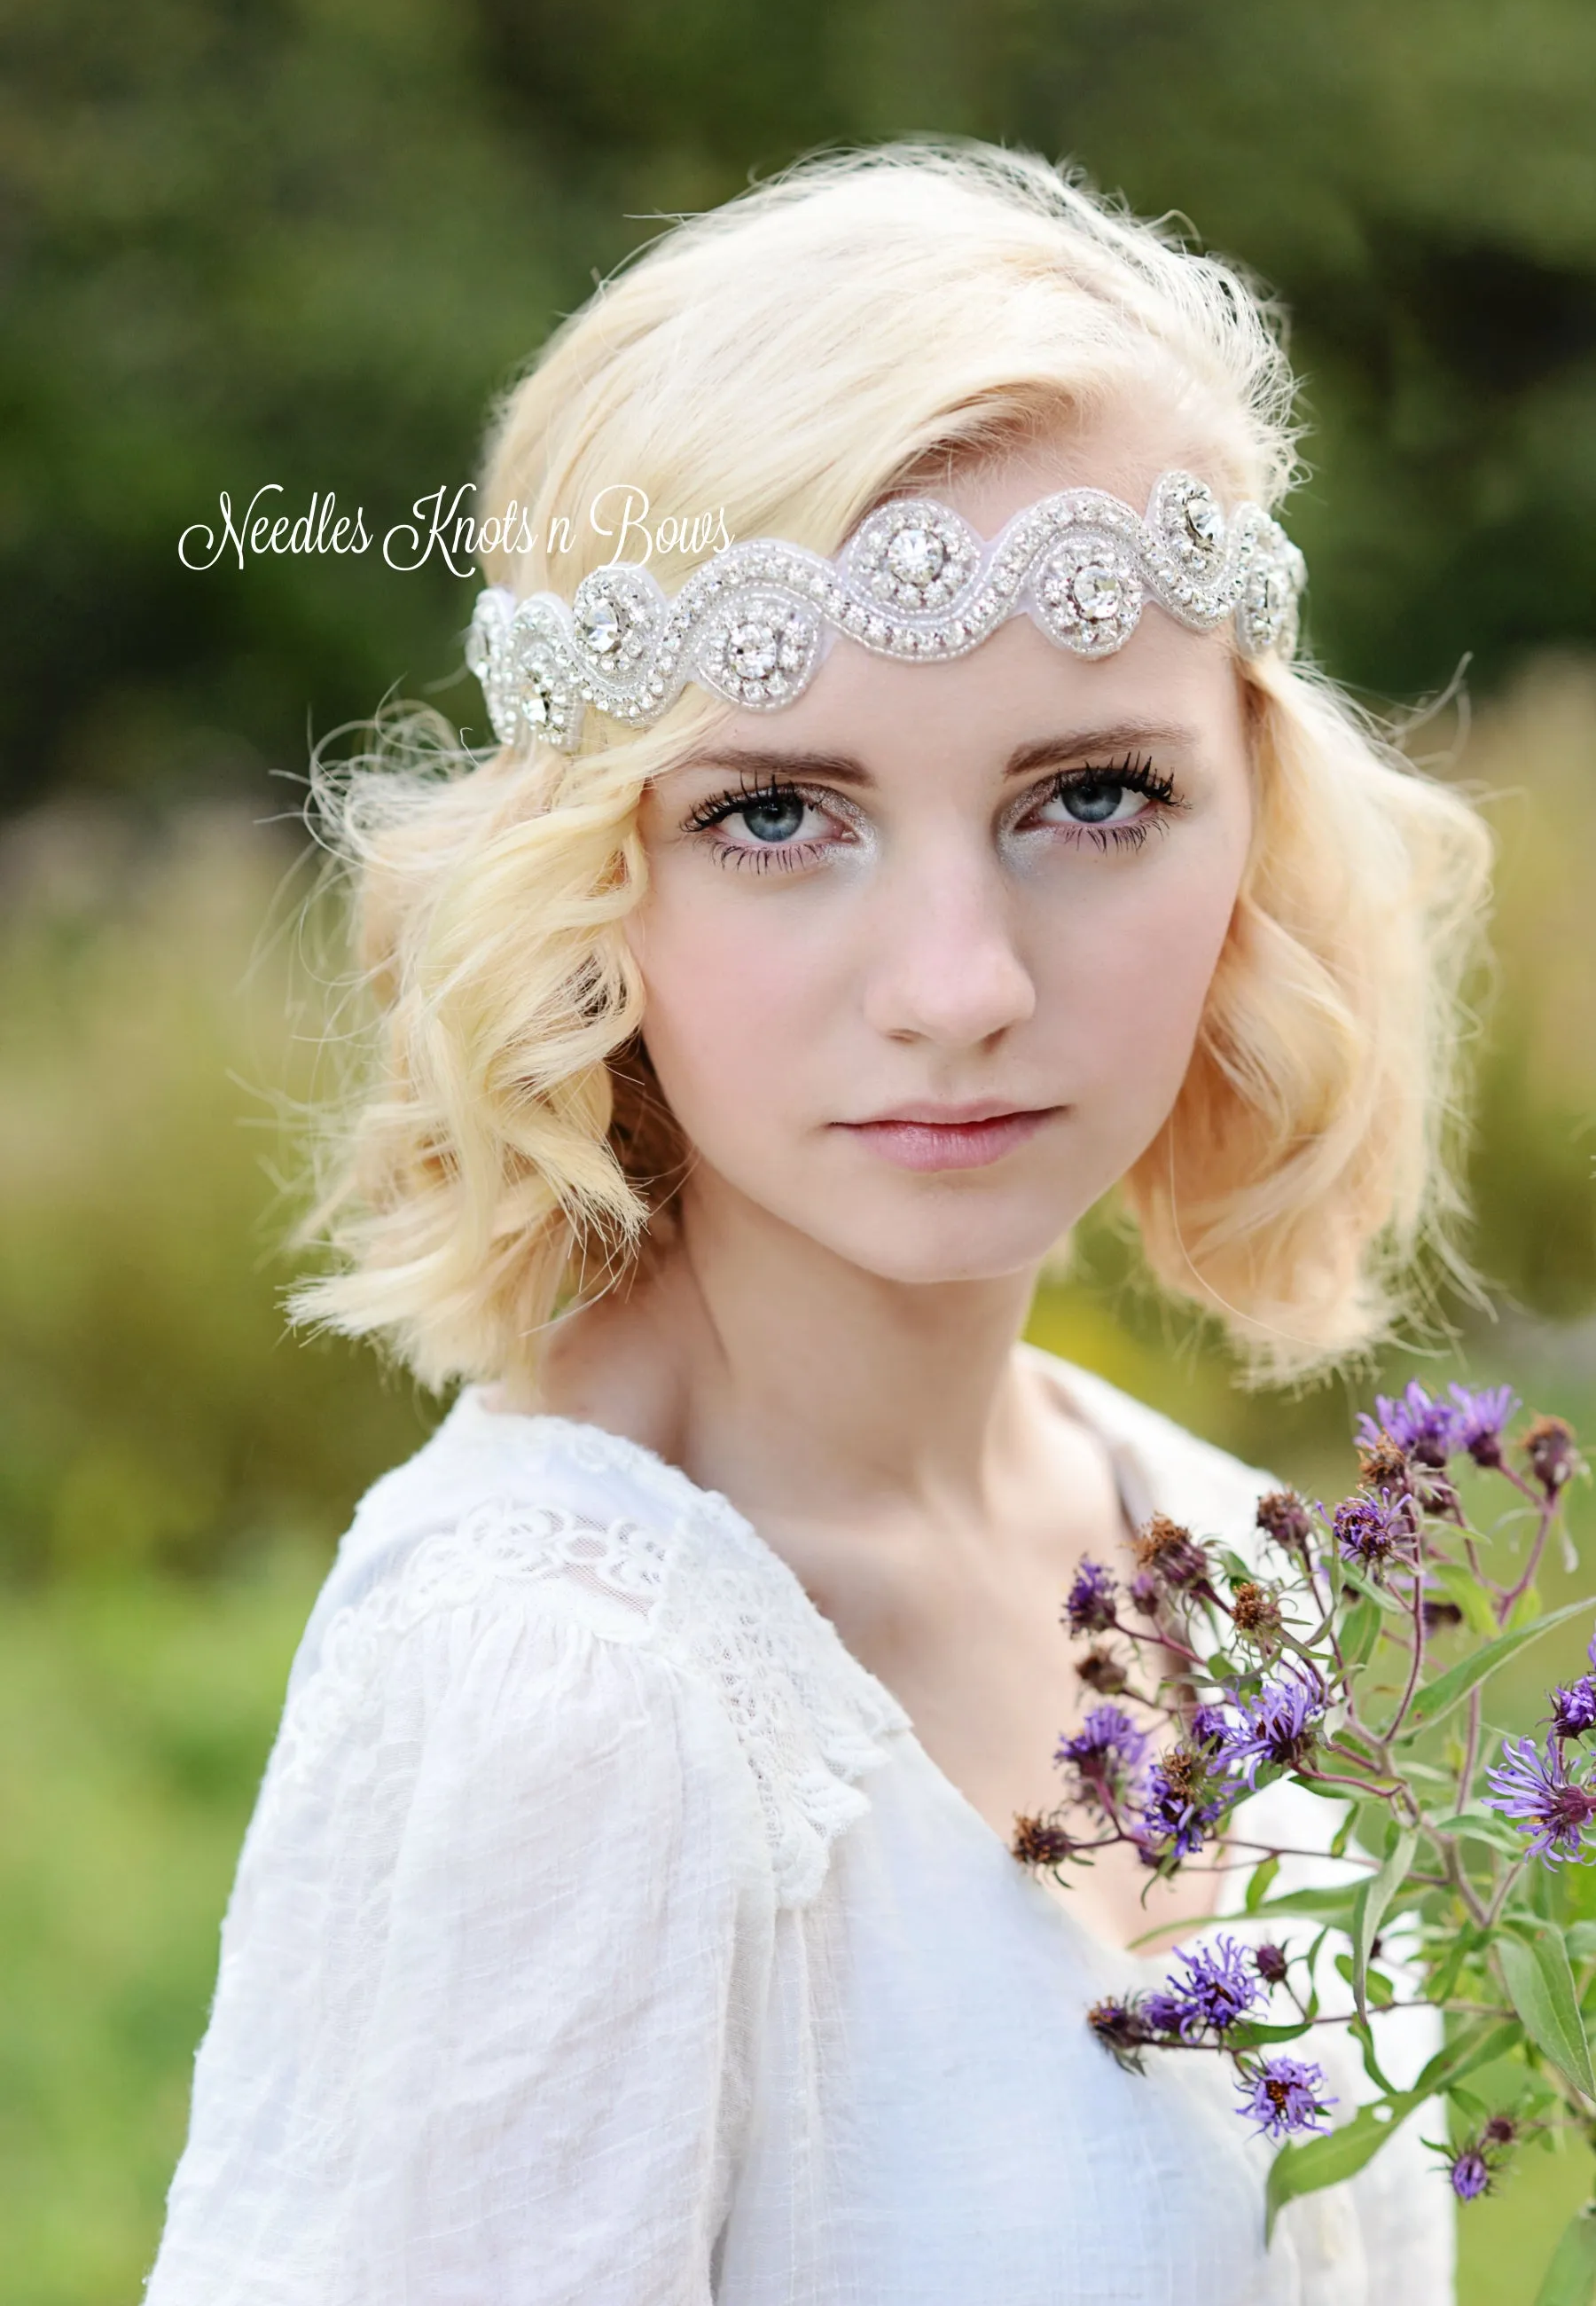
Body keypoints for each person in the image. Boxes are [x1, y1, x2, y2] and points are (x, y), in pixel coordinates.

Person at [144, 141, 1490, 2304]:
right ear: (595, 879)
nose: (960, 982)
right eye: (779, 812)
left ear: (1253, 816)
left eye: (1092, 796)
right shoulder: (569, 1685)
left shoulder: (1240, 1571)